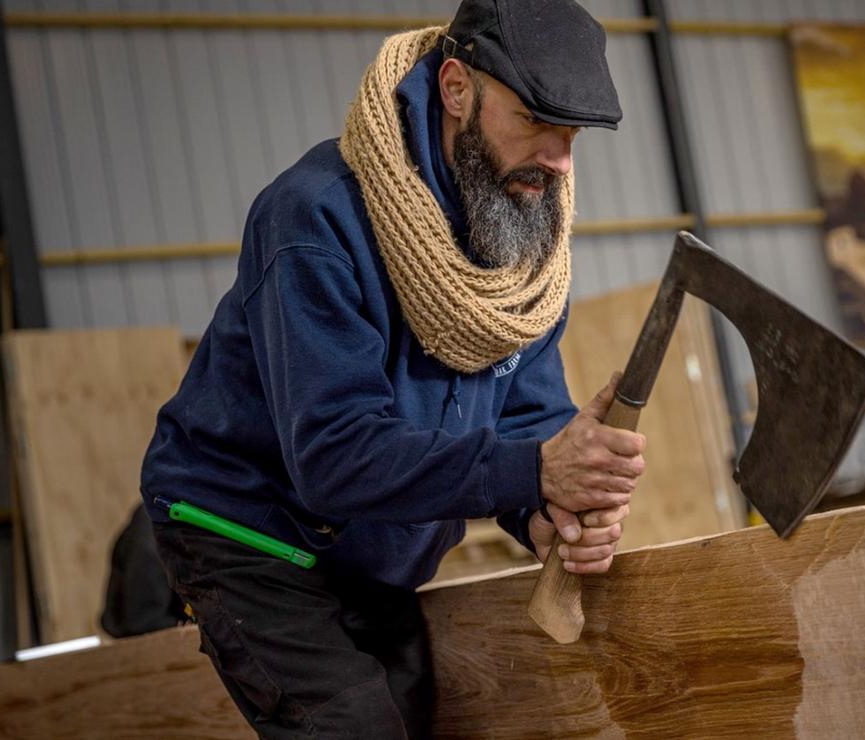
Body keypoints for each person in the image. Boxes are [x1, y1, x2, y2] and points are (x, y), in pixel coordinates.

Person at [139, 1, 645, 736]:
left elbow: (526, 418)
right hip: (247, 532)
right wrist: (534, 472)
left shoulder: (518, 234)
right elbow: (335, 454)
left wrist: (544, 516)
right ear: (455, 89)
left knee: (417, 718)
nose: (558, 160)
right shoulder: (314, 218)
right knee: (355, 727)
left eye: (572, 135)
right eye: (536, 121)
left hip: (374, 546)